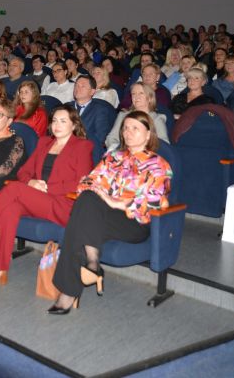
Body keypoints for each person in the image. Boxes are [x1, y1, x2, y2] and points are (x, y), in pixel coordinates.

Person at [48, 111, 171, 315]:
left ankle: (75, 283)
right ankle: (91, 265)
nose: (128, 132)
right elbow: (88, 181)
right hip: (105, 215)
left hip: (134, 221)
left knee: (78, 222)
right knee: (87, 199)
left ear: (148, 134)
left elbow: (156, 202)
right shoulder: (113, 158)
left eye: (135, 128)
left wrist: (117, 203)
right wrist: (103, 197)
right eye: (126, 128)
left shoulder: (158, 164)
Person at [0, 104, 94, 291]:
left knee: (14, 189)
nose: (57, 125)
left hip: (64, 204)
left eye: (63, 121)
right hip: (37, 199)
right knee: (9, 209)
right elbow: (23, 172)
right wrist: (31, 182)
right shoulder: (44, 142)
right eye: (55, 121)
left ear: (74, 125)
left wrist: (48, 188)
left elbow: (82, 182)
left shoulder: (82, 146)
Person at [105, 83, 169, 152]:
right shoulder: (123, 115)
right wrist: (118, 152)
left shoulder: (156, 119)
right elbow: (111, 138)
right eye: (133, 94)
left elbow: (164, 144)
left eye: (141, 93)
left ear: (149, 97)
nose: (136, 97)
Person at [68, 75, 116, 163]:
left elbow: (100, 139)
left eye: (83, 86)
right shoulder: (66, 107)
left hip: (87, 154)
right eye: (76, 85)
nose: (78, 88)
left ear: (92, 91)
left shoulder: (100, 110)